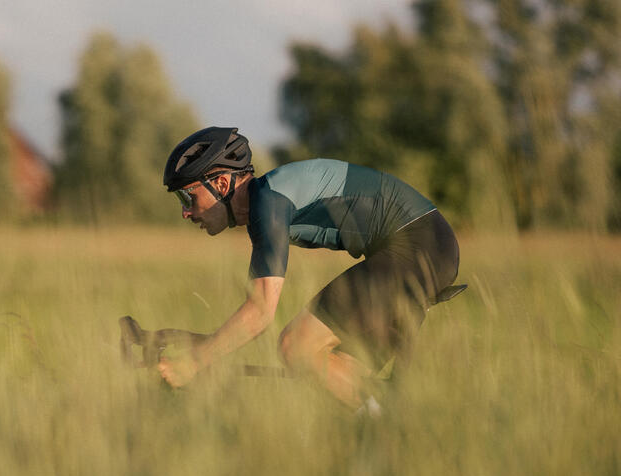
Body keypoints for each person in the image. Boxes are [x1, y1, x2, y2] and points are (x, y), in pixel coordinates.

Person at [157, 126, 464, 409]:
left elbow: (261, 311)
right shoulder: (268, 202)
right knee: (344, 376)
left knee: (297, 346)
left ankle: (386, 426)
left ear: (221, 183)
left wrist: (195, 363)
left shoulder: (268, 200)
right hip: (430, 247)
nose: (185, 212)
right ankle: (391, 433)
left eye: (188, 196)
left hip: (419, 245)